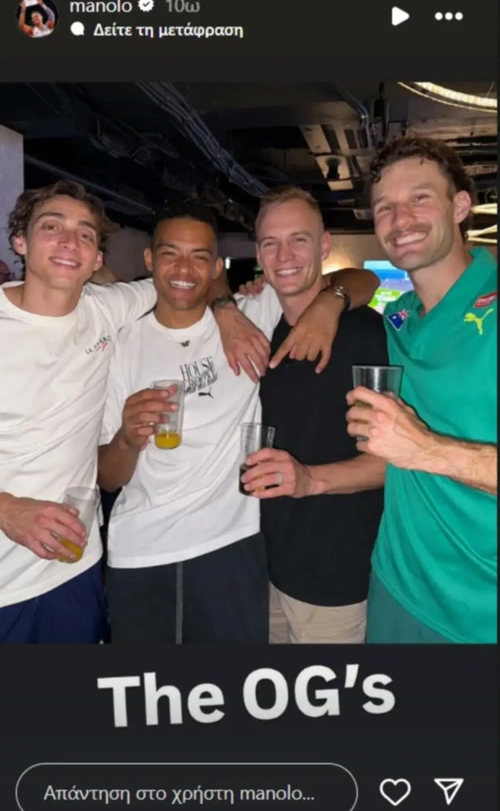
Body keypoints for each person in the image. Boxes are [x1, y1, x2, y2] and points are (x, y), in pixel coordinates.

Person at [0, 180, 273, 644]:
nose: (69, 242)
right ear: (20, 241)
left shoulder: (108, 311)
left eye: (85, 234)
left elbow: (188, 277)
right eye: (52, 227)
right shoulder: (120, 334)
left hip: (75, 567)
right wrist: (6, 510)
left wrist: (226, 306)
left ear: (97, 258)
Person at [97, 201, 378, 643]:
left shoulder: (255, 314)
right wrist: (127, 440)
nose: (184, 269)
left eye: (200, 257)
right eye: (170, 254)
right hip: (141, 551)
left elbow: (362, 279)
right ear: (149, 259)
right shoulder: (121, 344)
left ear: (216, 268)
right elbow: (108, 478)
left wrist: (329, 303)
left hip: (233, 546)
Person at [346, 135, 497, 644]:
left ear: (460, 206)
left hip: (481, 610)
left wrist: (425, 448)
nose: (400, 219)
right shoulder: (399, 316)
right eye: (384, 207)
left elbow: (418, 450)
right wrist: (330, 300)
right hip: (397, 585)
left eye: (420, 197)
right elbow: (355, 282)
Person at [240, 186, 388, 644]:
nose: (284, 255)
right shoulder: (261, 326)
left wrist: (310, 479)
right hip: (265, 568)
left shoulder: (366, 335)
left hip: (336, 581)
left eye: (299, 240)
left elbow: (394, 462)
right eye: (270, 243)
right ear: (258, 255)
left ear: (324, 246)